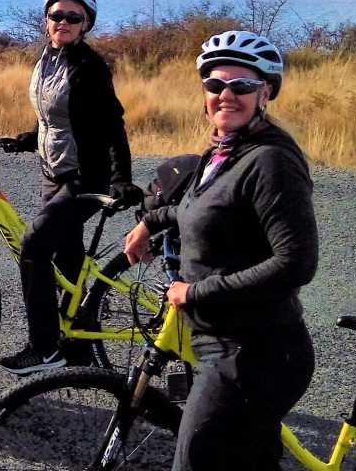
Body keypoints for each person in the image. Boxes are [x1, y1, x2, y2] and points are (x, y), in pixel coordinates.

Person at [122, 30, 318, 471]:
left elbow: (296, 264)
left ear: (265, 93)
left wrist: (195, 293)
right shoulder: (223, 151)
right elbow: (201, 208)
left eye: (241, 85)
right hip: (222, 342)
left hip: (253, 352)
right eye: (215, 85)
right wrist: (150, 223)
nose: (226, 95)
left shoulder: (270, 162)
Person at [0, 0, 137, 375]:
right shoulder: (48, 58)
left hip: (83, 177)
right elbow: (54, 116)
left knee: (34, 246)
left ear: (85, 24)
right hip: (53, 172)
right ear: (46, 20)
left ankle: (44, 349)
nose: (63, 22)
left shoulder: (89, 67)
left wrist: (121, 177)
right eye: (57, 15)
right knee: (67, 259)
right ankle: (78, 348)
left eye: (73, 17)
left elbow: (112, 125)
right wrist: (29, 139)